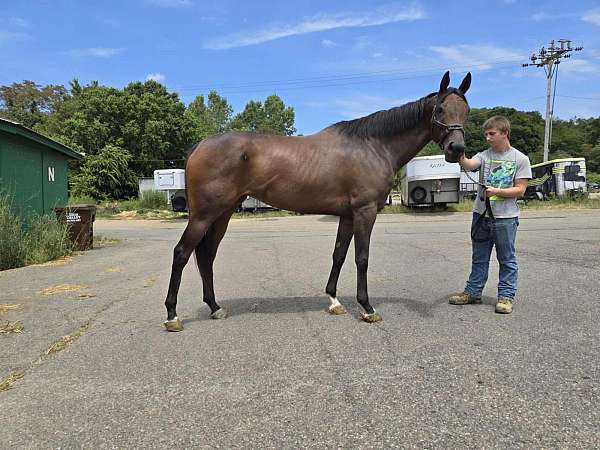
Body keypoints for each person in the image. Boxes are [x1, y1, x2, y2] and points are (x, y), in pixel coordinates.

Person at [449, 116, 532, 314]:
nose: (487, 138)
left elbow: (520, 190)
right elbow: (470, 165)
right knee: (479, 257)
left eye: (491, 134)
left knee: (506, 259)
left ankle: (505, 296)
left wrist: (497, 192)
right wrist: (459, 154)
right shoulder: (484, 155)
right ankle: (473, 292)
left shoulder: (520, 159)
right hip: (481, 215)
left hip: (505, 218)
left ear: (505, 133)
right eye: (485, 134)